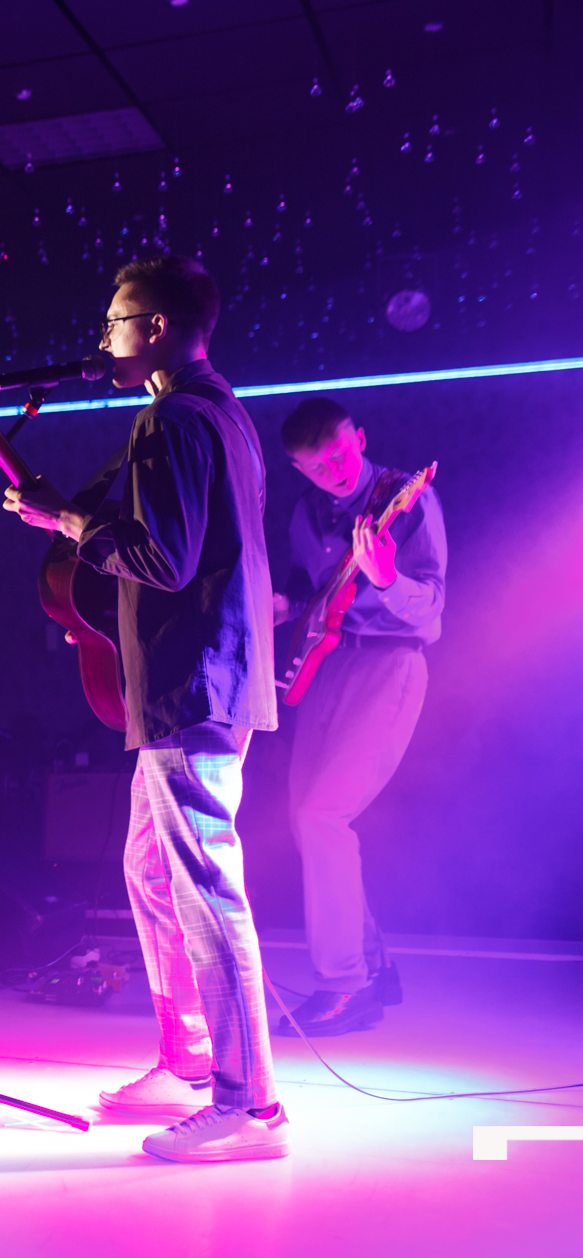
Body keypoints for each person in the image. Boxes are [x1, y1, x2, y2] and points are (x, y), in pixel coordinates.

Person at [1, 255, 284, 1162]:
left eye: (115, 321)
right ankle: (189, 1058)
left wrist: (67, 522)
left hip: (190, 680)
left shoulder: (171, 418)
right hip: (212, 674)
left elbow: (162, 558)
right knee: (152, 870)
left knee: (203, 883)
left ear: (156, 327)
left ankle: (251, 1108)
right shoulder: (221, 412)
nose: (105, 339)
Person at [271, 397, 447, 1035]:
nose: (335, 472)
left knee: (322, 816)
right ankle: (374, 967)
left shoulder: (407, 499)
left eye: (340, 455)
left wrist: (389, 578)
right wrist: (283, 605)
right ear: (299, 470)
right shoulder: (306, 512)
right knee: (305, 821)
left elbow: (431, 606)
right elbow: (310, 586)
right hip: (327, 665)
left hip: (390, 663)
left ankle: (345, 987)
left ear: (360, 439)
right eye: (317, 466)